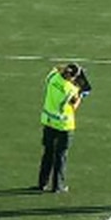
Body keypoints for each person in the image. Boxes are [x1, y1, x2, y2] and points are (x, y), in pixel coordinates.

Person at [38, 63, 85, 193]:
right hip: (64, 125)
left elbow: (56, 67)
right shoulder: (71, 90)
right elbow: (74, 106)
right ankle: (57, 185)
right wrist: (81, 96)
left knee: (48, 153)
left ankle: (42, 182)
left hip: (48, 120)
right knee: (61, 155)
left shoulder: (53, 77)